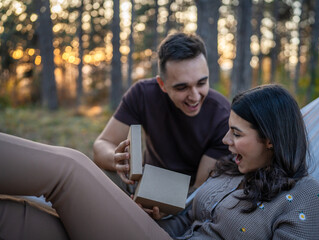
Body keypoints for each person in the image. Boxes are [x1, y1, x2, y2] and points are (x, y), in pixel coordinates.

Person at [0, 84, 319, 239]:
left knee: (70, 168)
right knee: (18, 218)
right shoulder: (233, 172)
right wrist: (151, 216)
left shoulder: (306, 197)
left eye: (235, 133)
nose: (225, 141)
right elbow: (188, 219)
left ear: (270, 139)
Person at [93, 32, 230, 193]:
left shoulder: (222, 116)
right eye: (182, 87)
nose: (194, 96)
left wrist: (167, 209)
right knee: (99, 174)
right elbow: (101, 146)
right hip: (145, 182)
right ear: (162, 84)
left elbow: (199, 190)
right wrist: (116, 160)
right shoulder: (142, 94)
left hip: (187, 196)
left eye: (202, 83)